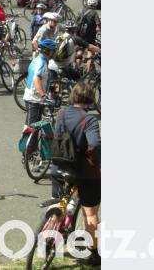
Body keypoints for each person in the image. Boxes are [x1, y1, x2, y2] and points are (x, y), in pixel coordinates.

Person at [49, 82, 102, 266]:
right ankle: (94, 254)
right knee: (90, 213)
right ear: (89, 98)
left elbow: (58, 138)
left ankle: (48, 235)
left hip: (59, 167)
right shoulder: (90, 120)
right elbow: (94, 145)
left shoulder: (61, 114)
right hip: (84, 171)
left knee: (59, 203)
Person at [23, 39, 56, 125]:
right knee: (32, 128)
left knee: (32, 126)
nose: (54, 52)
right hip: (34, 98)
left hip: (32, 96)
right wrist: (44, 95)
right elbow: (36, 79)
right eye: (53, 50)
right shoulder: (41, 63)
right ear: (48, 51)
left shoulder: (37, 59)